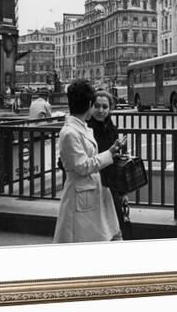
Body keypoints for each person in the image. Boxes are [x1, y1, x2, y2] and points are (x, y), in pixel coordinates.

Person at [53, 80, 124, 243]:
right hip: (81, 192)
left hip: (90, 190)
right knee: (81, 238)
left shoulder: (81, 127)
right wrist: (110, 153)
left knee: (99, 235)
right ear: (90, 105)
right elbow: (82, 166)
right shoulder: (71, 132)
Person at [87, 90, 129, 238]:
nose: (100, 110)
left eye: (105, 107)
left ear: (110, 109)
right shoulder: (85, 130)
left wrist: (123, 192)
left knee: (114, 229)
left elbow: (117, 162)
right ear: (90, 107)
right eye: (97, 106)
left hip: (110, 188)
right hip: (91, 187)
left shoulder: (112, 129)